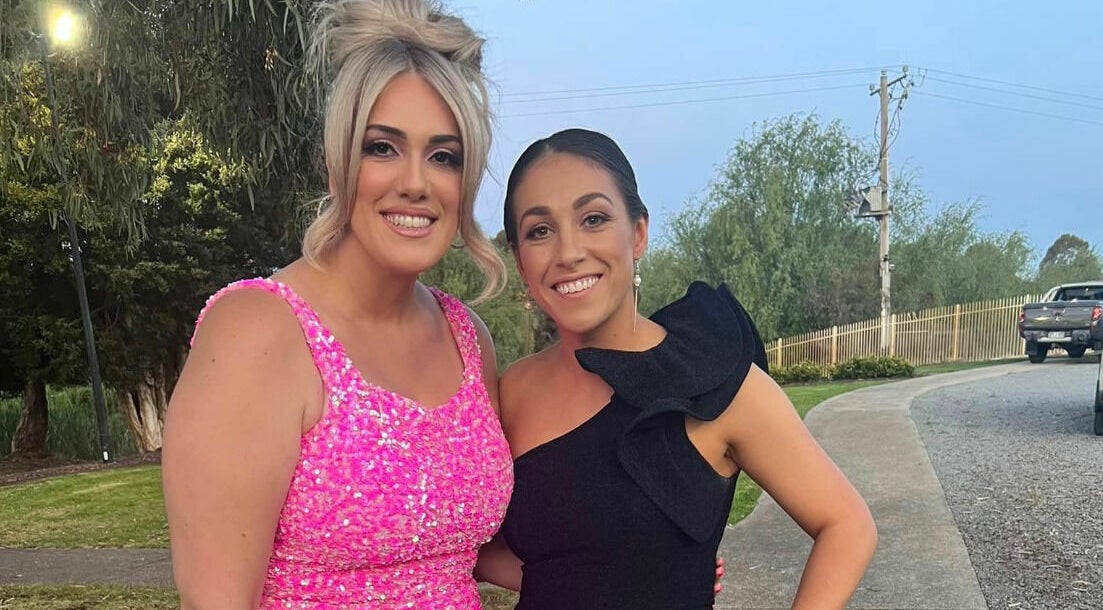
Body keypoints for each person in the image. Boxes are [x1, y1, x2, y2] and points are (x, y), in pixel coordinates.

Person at [161, 1, 514, 608]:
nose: (415, 183)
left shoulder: (466, 336)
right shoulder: (257, 332)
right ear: (336, 164)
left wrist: (634, 562)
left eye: (444, 156)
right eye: (383, 148)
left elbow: (466, 548)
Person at [492, 128, 878, 609]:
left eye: (593, 219)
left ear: (637, 234)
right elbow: (483, 547)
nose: (568, 252)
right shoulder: (512, 389)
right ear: (520, 259)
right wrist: (628, 576)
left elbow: (847, 526)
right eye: (539, 231)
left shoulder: (715, 382)